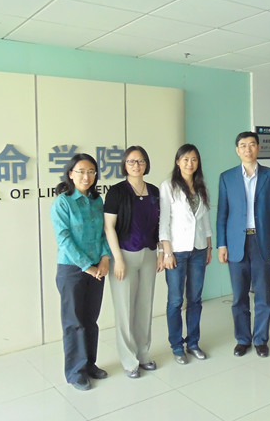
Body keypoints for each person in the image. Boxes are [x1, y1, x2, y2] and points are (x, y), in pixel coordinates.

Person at [217, 131, 270, 358]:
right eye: (243, 145)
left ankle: (260, 339)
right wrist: (221, 244)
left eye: (252, 144)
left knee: (263, 295)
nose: (248, 149)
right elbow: (222, 214)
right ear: (237, 150)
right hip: (236, 243)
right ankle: (243, 339)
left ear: (258, 148)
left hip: (262, 242)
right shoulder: (226, 178)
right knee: (239, 296)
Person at [50, 153, 111, 391]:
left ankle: (89, 364)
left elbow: (104, 233)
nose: (87, 177)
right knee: (74, 322)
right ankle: (76, 372)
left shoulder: (96, 200)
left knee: (90, 320)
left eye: (91, 172)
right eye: (81, 172)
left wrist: (105, 258)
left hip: (97, 268)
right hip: (72, 269)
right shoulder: (63, 202)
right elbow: (64, 239)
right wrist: (88, 266)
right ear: (70, 174)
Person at [103, 146, 162, 379]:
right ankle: (129, 361)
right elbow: (109, 227)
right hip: (124, 256)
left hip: (149, 254)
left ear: (146, 164)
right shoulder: (116, 192)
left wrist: (161, 251)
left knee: (145, 307)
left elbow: (160, 224)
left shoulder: (154, 191)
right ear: (124, 165)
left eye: (140, 161)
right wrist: (117, 259)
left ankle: (144, 354)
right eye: (131, 161)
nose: (136, 165)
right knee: (125, 309)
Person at [159, 144, 212, 365]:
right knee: (175, 300)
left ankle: (193, 343)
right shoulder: (168, 186)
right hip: (177, 251)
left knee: (195, 299)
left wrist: (209, 245)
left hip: (199, 249)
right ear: (178, 162)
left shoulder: (201, 185)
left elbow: (205, 218)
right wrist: (166, 252)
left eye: (194, 159)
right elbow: (163, 221)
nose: (190, 163)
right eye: (185, 159)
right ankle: (176, 346)